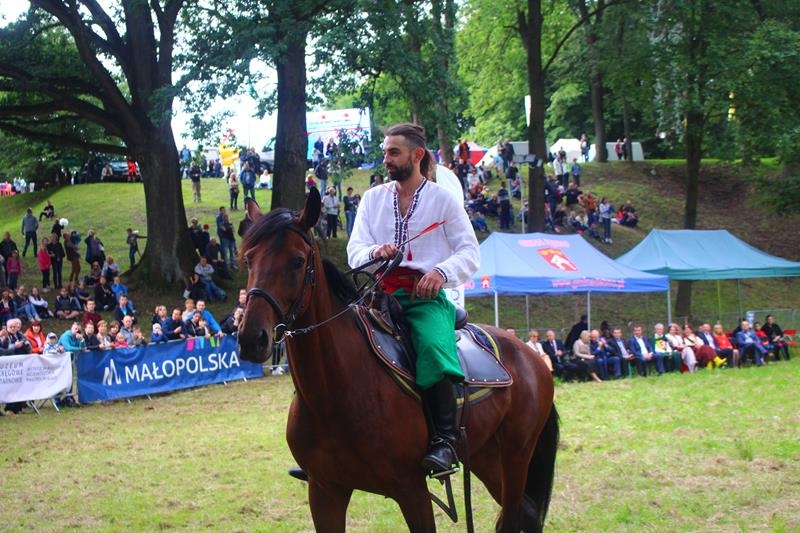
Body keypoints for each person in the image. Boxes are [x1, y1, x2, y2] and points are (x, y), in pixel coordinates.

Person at [346, 123, 480, 476]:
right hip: (375, 295)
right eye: (385, 152)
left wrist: (440, 273)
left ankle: (445, 441)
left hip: (424, 297)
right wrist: (375, 251)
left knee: (433, 347)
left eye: (394, 152)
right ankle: (326, 441)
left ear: (417, 155)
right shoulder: (372, 199)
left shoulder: (443, 200)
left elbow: (470, 252)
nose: (386, 159)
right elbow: (355, 250)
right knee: (334, 344)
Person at [3, 318, 32, 414]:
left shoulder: (21, 335)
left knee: (21, 386)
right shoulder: (4, 336)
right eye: (10, 327)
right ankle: (9, 408)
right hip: (11, 365)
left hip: (22, 363)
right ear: (7, 327)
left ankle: (18, 408)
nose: (12, 328)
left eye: (14, 327)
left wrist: (27, 345)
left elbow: (29, 347)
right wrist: (15, 346)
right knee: (11, 387)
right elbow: (4, 349)